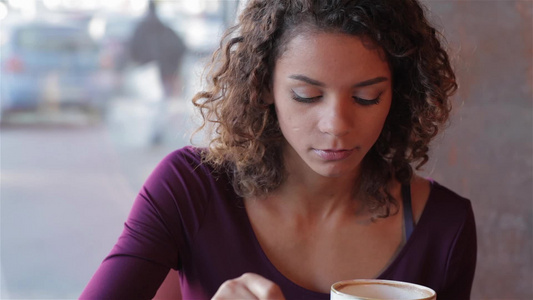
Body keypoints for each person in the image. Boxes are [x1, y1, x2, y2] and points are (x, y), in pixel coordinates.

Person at [81, 0, 477, 299]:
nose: (336, 125)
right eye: (306, 95)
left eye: (367, 97)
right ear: (264, 85)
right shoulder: (189, 188)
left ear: (400, 93)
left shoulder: (443, 227)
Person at [128, 0, 186, 98]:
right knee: (166, 97)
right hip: (165, 69)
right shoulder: (165, 28)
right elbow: (181, 47)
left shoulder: (142, 28)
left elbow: (133, 48)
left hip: (155, 68)